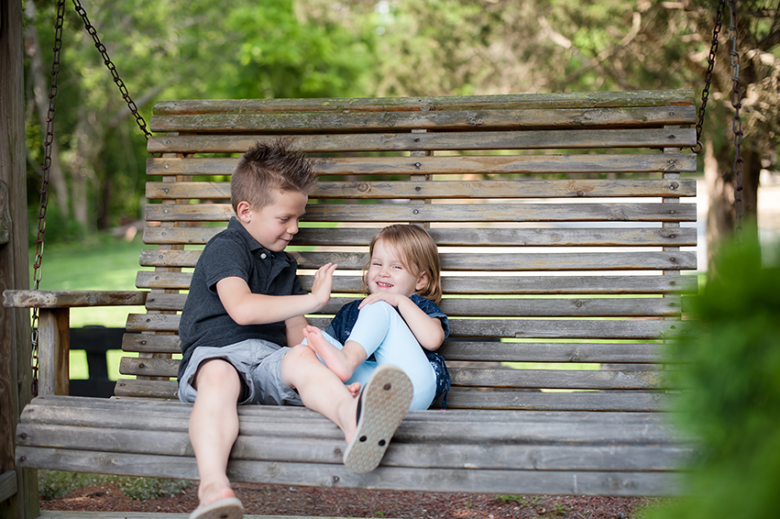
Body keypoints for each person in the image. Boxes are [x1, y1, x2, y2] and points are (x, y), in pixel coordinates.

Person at [177, 140, 413, 519]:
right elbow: (241, 308)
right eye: (284, 218)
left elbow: (296, 335)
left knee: (302, 358)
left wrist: (325, 369)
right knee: (220, 376)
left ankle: (354, 420)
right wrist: (313, 300)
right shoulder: (226, 246)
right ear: (245, 211)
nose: (294, 228)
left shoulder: (284, 266)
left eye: (298, 218)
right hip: (217, 358)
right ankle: (213, 488)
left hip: (268, 364)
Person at [301, 224, 450, 411]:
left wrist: (400, 301)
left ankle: (348, 359)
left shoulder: (418, 306)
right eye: (377, 263)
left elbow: (433, 340)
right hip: (371, 392)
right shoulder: (351, 312)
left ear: (420, 280)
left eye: (396, 266)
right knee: (307, 345)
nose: (383, 272)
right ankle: (342, 392)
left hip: (412, 387)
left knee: (378, 305)